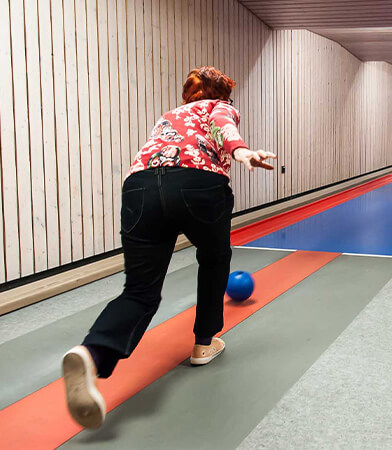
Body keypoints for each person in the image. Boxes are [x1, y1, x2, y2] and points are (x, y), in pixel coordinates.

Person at [61, 66, 276, 429]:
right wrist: (242, 153)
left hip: (139, 188)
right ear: (221, 94)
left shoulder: (168, 116)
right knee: (213, 259)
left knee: (140, 290)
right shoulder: (219, 106)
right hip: (198, 185)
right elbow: (225, 127)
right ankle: (203, 343)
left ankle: (91, 352)